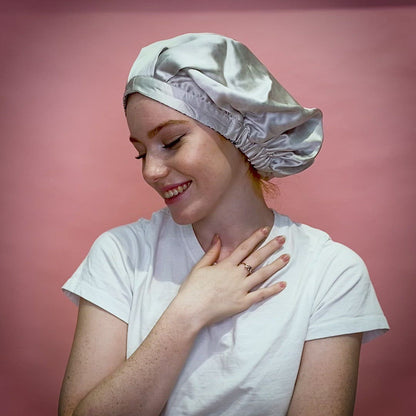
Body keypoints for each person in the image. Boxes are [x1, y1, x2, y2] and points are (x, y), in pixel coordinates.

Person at [58, 33, 389, 416]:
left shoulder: (330, 272)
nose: (151, 171)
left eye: (172, 141)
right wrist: (187, 313)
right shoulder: (122, 254)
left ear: (237, 130)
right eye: (140, 153)